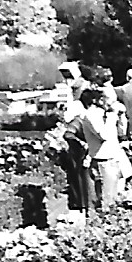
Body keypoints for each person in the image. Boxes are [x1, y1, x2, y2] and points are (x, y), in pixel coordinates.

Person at [47, 88, 94, 217]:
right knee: (80, 178)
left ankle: (86, 204)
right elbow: (68, 134)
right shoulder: (80, 119)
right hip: (78, 153)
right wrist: (81, 143)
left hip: (88, 151)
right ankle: (81, 205)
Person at [78, 88, 126, 209]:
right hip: (102, 162)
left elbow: (120, 133)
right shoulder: (90, 115)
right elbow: (103, 135)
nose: (110, 104)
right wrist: (112, 116)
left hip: (113, 159)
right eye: (107, 101)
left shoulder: (105, 114)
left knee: (115, 198)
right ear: (98, 100)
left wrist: (121, 118)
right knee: (107, 201)